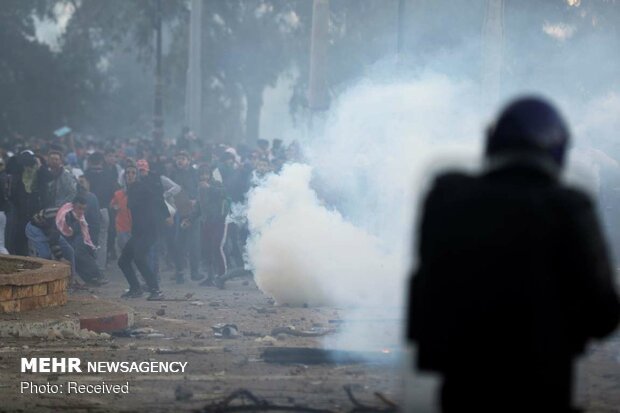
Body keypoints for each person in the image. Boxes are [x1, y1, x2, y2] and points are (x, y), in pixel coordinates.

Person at [408, 96, 620, 413]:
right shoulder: (569, 207)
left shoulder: (446, 197)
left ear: (492, 143)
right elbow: (603, 317)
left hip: (462, 390)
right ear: (556, 150)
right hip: (542, 388)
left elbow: (427, 288)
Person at [118, 159, 169, 300]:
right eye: (127, 173)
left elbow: (158, 199)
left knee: (139, 258)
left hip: (148, 231)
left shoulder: (142, 188)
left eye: (133, 173)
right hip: (138, 232)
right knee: (123, 261)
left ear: (137, 175)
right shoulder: (130, 189)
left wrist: (167, 216)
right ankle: (135, 289)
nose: (130, 175)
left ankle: (156, 290)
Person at [55, 195, 107, 286]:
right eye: (79, 208)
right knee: (73, 254)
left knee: (78, 253)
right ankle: (89, 278)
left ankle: (96, 276)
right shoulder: (65, 214)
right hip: (63, 234)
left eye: (83, 209)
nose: (81, 212)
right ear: (73, 206)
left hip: (78, 234)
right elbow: (60, 228)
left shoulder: (80, 217)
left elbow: (80, 228)